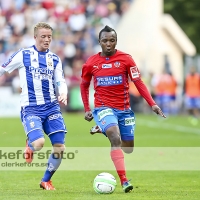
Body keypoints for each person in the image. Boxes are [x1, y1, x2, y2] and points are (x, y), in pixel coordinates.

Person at [80, 25, 166, 193]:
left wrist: (152, 103)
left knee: (128, 148)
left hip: (124, 109)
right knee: (115, 137)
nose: (108, 44)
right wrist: (86, 108)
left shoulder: (126, 59)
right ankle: (124, 180)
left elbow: (138, 82)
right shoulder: (91, 63)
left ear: (116, 41)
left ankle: (101, 128)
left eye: (112, 40)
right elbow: (84, 86)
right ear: (99, 42)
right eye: (105, 41)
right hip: (103, 107)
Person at [0, 22, 68, 190]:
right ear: (35, 37)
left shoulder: (54, 59)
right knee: (38, 143)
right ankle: (29, 146)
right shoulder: (23, 54)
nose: (46, 40)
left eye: (49, 37)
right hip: (31, 108)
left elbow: (60, 80)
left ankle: (46, 180)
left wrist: (64, 92)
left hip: (51, 106)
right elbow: (3, 68)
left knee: (60, 147)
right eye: (43, 36)